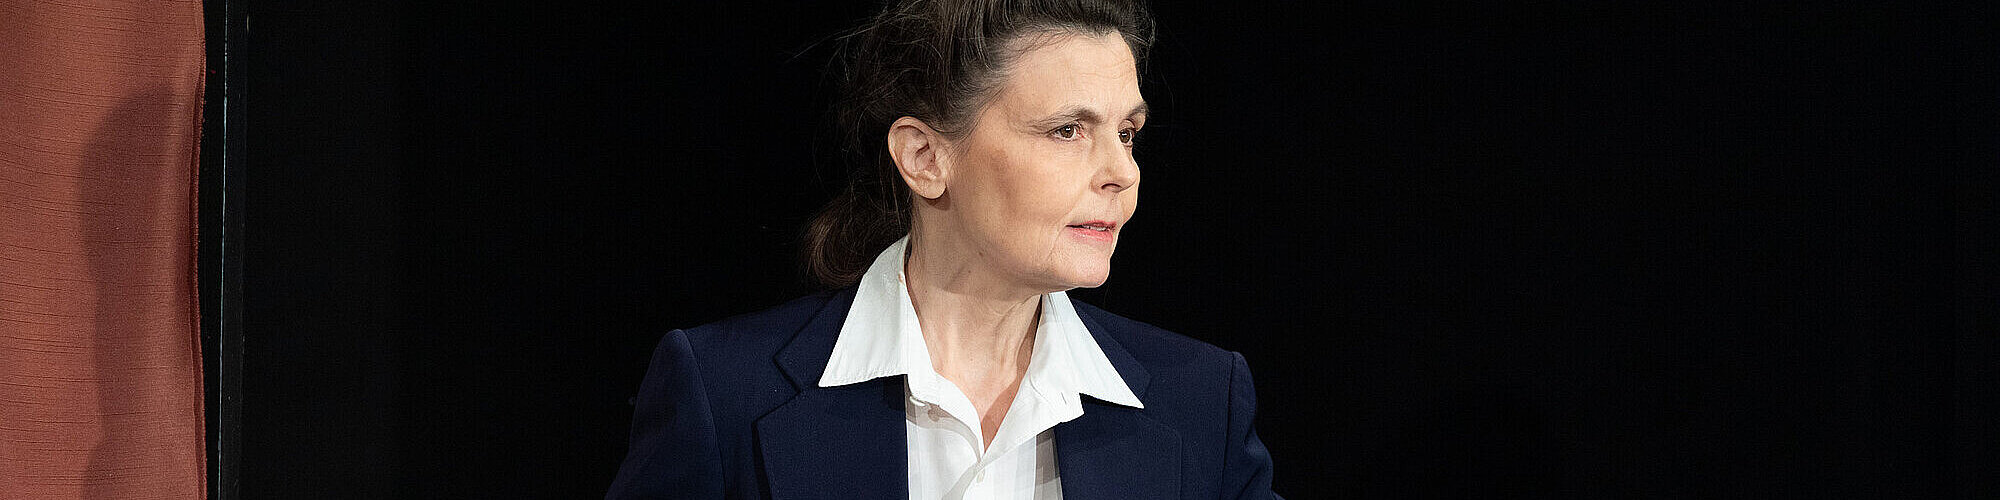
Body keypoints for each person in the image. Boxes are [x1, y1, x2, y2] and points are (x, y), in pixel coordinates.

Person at [606, 0, 1280, 498]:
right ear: (925, 157)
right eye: (1068, 130)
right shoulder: (723, 393)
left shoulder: (1202, 403)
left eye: (1127, 133)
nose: (1121, 172)